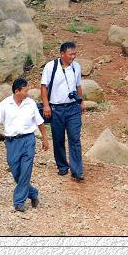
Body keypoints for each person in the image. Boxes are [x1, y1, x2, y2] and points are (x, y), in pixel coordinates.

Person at [0, 78, 49, 211]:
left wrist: (45, 139)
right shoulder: (5, 104)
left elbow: (40, 122)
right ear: (17, 91)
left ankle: (19, 202)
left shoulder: (31, 103)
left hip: (28, 140)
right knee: (16, 170)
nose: (28, 93)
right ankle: (32, 193)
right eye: (25, 90)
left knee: (26, 170)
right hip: (12, 142)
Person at [39, 42, 85, 182]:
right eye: (70, 54)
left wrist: (81, 102)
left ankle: (77, 171)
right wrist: (46, 105)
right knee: (58, 139)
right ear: (62, 54)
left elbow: (78, 86)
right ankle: (62, 166)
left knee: (75, 138)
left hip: (73, 108)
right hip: (56, 108)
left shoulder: (76, 67)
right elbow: (43, 87)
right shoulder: (51, 66)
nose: (73, 57)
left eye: (74, 54)